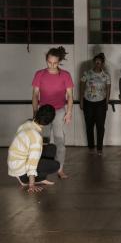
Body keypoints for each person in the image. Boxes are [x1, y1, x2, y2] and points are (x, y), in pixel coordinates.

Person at [32, 46, 74, 179]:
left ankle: (60, 169)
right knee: (42, 142)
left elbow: (70, 96)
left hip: (59, 111)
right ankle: (41, 169)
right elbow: (35, 95)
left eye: (55, 63)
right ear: (46, 60)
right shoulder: (39, 74)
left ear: (59, 61)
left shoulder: (65, 75)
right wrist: (35, 113)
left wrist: (69, 113)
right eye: (49, 62)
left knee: (59, 141)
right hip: (43, 112)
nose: (52, 65)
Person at [8, 105, 60, 194]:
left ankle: (41, 178)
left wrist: (38, 147)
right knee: (55, 165)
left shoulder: (27, 123)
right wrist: (32, 185)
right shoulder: (36, 137)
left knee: (52, 148)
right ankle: (25, 180)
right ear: (49, 122)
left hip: (14, 162)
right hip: (21, 169)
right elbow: (32, 162)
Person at [79, 53, 111, 155]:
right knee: (89, 125)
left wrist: (106, 103)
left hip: (101, 103)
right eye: (96, 62)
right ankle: (91, 146)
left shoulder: (106, 75)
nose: (98, 64)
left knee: (100, 126)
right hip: (88, 103)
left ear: (102, 63)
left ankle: (100, 148)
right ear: (94, 62)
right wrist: (81, 101)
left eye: (100, 62)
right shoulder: (87, 73)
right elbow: (82, 87)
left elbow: (108, 89)